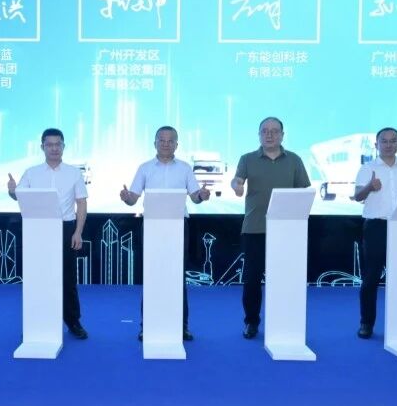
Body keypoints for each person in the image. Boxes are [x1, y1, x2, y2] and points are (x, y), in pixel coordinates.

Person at [120, 125, 211, 341]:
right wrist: (126, 197)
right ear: (155, 143)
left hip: (179, 226)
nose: (166, 144)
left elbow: (195, 196)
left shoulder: (185, 168)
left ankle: (182, 326)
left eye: (171, 141)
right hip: (152, 225)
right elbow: (133, 198)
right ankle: (147, 326)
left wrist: (202, 195)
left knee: (177, 276)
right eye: (162, 140)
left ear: (177, 144)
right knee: (152, 275)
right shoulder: (144, 168)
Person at [231, 116, 311, 339]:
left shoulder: (294, 160)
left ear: (282, 135)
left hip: (287, 230)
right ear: (259, 135)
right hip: (255, 228)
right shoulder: (247, 158)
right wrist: (237, 185)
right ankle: (251, 322)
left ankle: (284, 321)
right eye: (265, 131)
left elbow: (304, 191)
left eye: (274, 131)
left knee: (285, 277)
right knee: (252, 280)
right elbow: (237, 180)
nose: (269, 134)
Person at [7, 128, 89, 339]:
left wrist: (78, 232)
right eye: (49, 144)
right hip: (37, 229)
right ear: (42, 147)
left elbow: (81, 203)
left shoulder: (74, 173)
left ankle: (73, 322)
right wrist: (12, 191)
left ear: (64, 146)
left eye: (58, 144)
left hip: (65, 228)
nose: (54, 148)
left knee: (68, 278)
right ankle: (38, 321)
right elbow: (19, 196)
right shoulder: (31, 172)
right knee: (38, 276)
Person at [351, 127, 397, 339]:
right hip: (376, 227)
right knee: (371, 278)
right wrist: (369, 187)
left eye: (393, 141)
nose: (388, 144)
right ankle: (366, 323)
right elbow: (357, 196)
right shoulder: (367, 168)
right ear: (376, 145)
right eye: (384, 141)